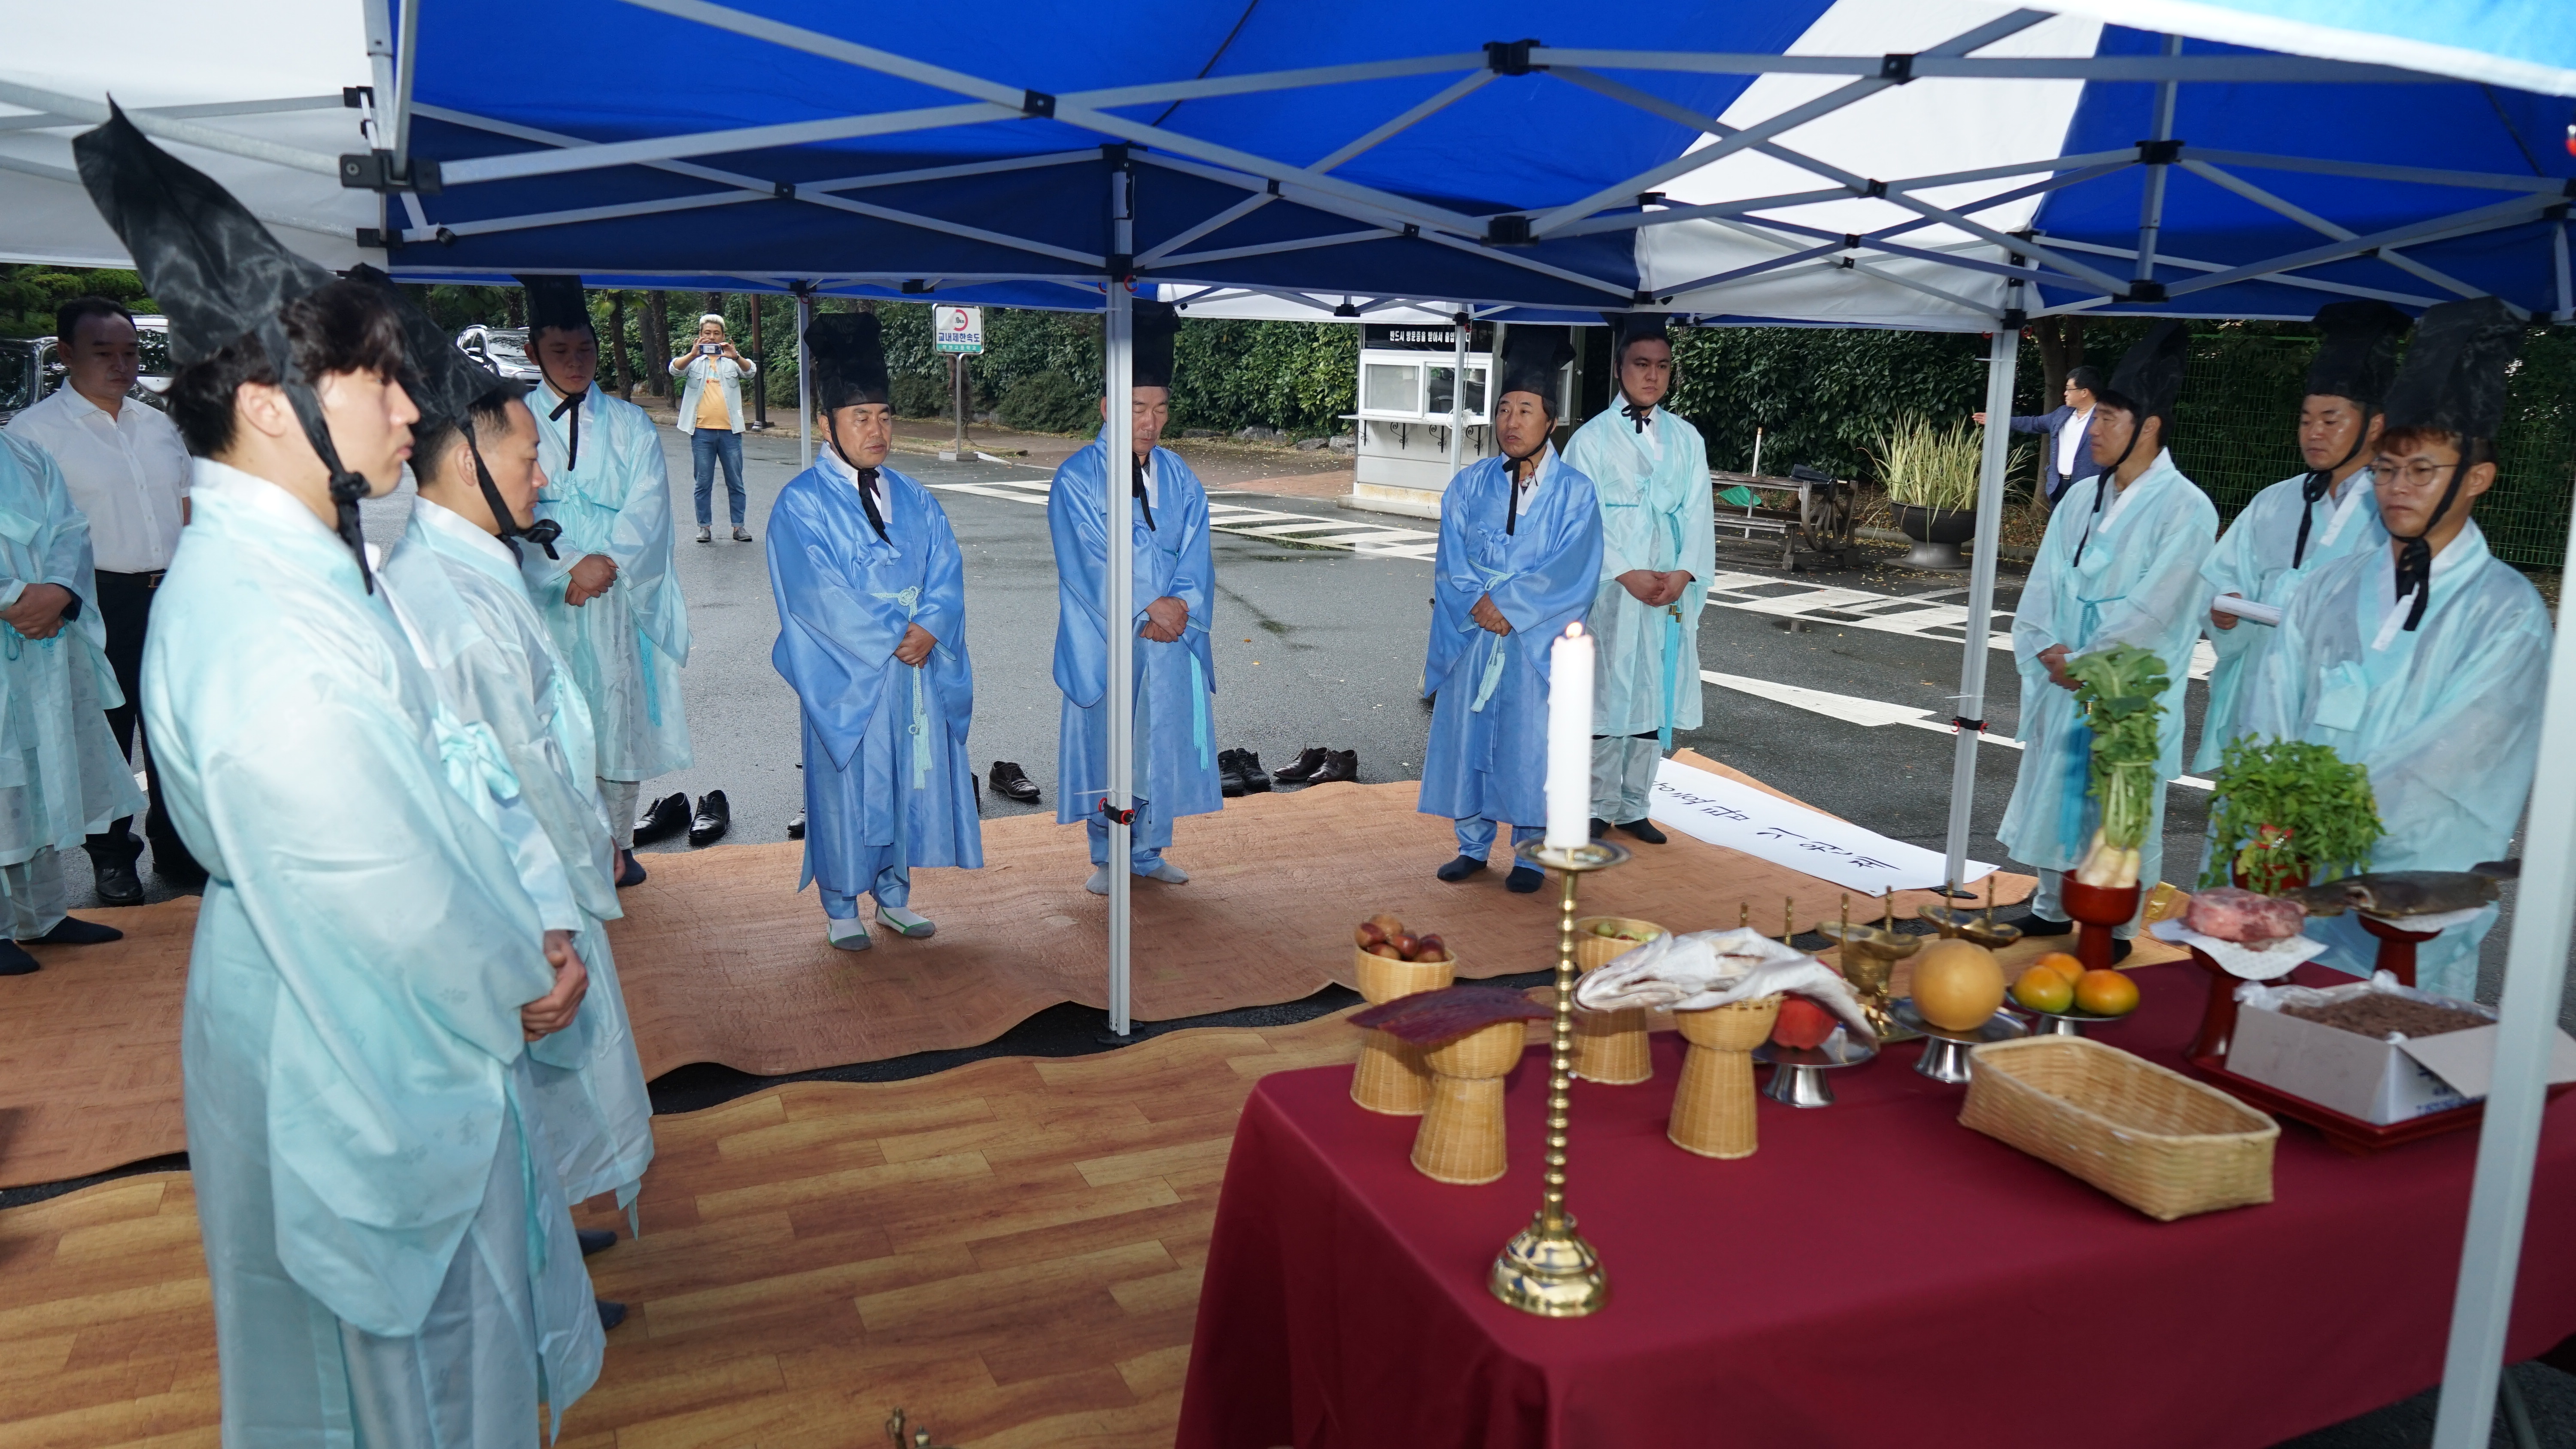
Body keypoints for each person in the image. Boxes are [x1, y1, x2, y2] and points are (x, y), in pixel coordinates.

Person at [79, 109, 601, 1442]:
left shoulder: (304, 571)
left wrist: (524, 916)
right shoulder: (264, 627)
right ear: (272, 407)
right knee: (391, 1392)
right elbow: (383, 881)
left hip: (372, 1001)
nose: (413, 410)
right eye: (379, 385)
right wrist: (519, 964)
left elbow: (429, 792)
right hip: (349, 1031)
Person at [368, 271, 655, 1247]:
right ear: (466, 462)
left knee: (537, 1104)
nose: (544, 480)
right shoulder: (453, 599)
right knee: (514, 1097)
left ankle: (544, 1249)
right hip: (516, 901)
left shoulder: (475, 568)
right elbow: (517, 775)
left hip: (529, 891)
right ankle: (536, 1270)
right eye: (528, 460)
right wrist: (558, 907)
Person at [2242, 296, 2548, 997]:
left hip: (2412, 902)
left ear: (2477, 478)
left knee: (2391, 1039)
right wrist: (2277, 822)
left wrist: (2321, 820)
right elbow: (2272, 711)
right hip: (2300, 880)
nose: (2397, 488)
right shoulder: (2326, 588)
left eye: (2422, 470)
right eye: (2386, 469)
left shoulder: (2507, 614)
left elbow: (2450, 768)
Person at [1997, 321, 2217, 950]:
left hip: (2129, 688)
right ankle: (2049, 902)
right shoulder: (2080, 498)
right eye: (2095, 418)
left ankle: (2118, 922)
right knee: (2054, 786)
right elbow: (2044, 580)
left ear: (2148, 428)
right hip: (2062, 669)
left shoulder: (2188, 508)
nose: (2093, 429)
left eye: (2109, 419)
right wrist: (2046, 645)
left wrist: (2090, 663)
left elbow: (2158, 609)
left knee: (2122, 804)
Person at [768, 313, 982, 948]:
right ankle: (841, 903)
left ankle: (893, 894)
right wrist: (898, 632)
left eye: (885, 416)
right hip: (850, 675)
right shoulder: (801, 503)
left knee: (905, 780)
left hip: (913, 670)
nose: (877, 430)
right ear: (825, 425)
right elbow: (815, 596)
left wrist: (933, 624)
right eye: (860, 417)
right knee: (849, 784)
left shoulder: (914, 496)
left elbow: (946, 565)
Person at [4, 294, 201, 899]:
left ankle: (180, 850)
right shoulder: (34, 435)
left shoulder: (158, 425)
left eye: (131, 352)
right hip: (93, 599)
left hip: (171, 593)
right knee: (104, 731)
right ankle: (113, 859)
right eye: (103, 353)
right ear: (66, 354)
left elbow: (188, 508)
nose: (122, 365)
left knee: (177, 730)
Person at [518, 274, 693, 888]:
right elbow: (504, 501)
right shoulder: (513, 420)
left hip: (615, 593)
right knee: (550, 712)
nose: (576, 363)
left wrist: (607, 563)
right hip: (543, 591)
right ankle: (558, 845)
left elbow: (650, 504)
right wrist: (566, 562)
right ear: (533, 352)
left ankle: (617, 844)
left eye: (586, 350)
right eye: (559, 351)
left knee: (615, 712)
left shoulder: (630, 423)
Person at [1418, 325, 1604, 892]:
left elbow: (1574, 570)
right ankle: (1472, 845)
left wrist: (1510, 605)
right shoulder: (1468, 485)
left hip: (1534, 644)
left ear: (1552, 420)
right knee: (1469, 740)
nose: (1511, 421)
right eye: (1503, 409)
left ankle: (1530, 854)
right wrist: (1479, 602)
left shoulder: (1576, 493)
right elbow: (1451, 558)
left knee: (1533, 745)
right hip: (1475, 634)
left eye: (1525, 410)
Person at [2195, 300, 2407, 776]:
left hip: (2338, 722)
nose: (2314, 433)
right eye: (2306, 419)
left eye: (2331, 420)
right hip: (2257, 702)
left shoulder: (2400, 509)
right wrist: (2225, 611)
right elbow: (2222, 577)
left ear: (2375, 425)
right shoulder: (2275, 500)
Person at [1048, 299, 1218, 893]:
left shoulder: (1178, 475)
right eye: (1137, 408)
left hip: (1166, 637)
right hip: (1110, 637)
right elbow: (1087, 560)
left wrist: (1182, 606)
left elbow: (1198, 549)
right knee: (1110, 746)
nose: (1149, 422)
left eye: (1160, 409)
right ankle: (1107, 853)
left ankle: (1147, 850)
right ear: (1107, 407)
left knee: (1157, 742)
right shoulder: (1077, 477)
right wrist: (1150, 602)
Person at [1563, 312, 1710, 843]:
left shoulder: (1687, 438)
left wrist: (1685, 571)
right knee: (1607, 691)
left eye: (1663, 366)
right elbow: (1583, 516)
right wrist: (1625, 572)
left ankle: (1634, 805)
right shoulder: (1590, 440)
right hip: (1612, 590)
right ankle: (1597, 803)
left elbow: (1698, 510)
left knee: (1655, 690)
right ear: (1619, 368)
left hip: (1668, 586)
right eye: (1642, 364)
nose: (1652, 375)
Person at [0, 430, 143, 973]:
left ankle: (42, 916)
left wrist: (60, 590)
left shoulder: (25, 453)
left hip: (44, 637)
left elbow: (70, 529)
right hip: (16, 622)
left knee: (36, 775)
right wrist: (13, 597)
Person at [670, 311, 758, 544]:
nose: (711, 337)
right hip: (701, 431)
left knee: (736, 481)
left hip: (731, 432)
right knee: (703, 482)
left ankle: (739, 527)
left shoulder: (731, 360)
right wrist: (692, 353)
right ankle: (704, 527)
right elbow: (674, 370)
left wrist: (736, 355)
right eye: (707, 333)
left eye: (716, 333)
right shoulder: (694, 361)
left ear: (723, 337)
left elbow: (751, 372)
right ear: (700, 335)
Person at [1975, 364, 2104, 506]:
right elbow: (2034, 423)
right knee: (2056, 521)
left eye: (2069, 389)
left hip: (2088, 489)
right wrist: (1997, 420)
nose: (2065, 394)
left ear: (2084, 392)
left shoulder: (2105, 419)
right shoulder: (2062, 414)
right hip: (2059, 487)